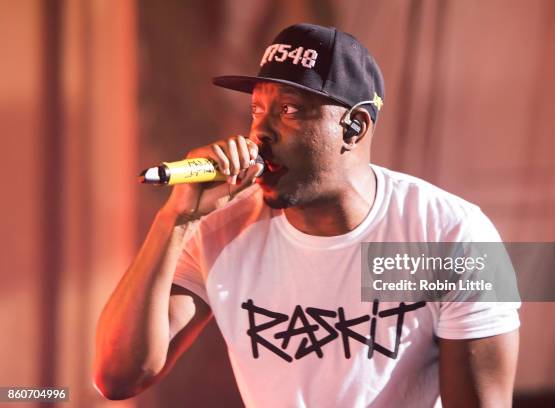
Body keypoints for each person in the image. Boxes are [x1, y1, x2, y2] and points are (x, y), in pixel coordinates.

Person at [93, 23, 520, 407]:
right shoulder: (221, 231)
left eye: (290, 111)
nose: (259, 132)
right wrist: (175, 219)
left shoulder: (448, 234)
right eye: (257, 110)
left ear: (355, 128)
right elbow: (118, 378)